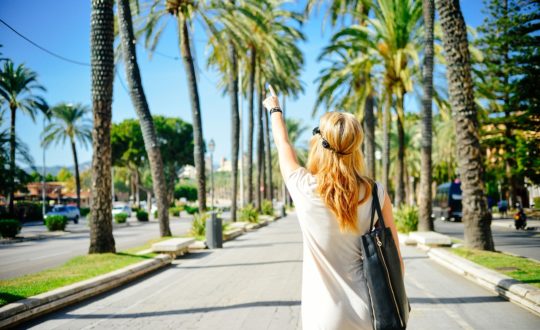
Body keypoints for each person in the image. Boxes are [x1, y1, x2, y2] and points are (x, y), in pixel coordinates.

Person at [263, 85, 404, 330]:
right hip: (369, 313)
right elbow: (396, 263)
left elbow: (283, 144)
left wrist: (275, 108)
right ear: (355, 146)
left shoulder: (304, 187)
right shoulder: (375, 193)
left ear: (319, 144)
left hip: (322, 318)